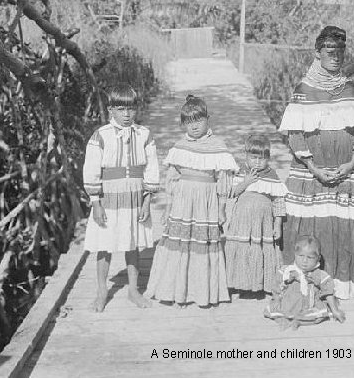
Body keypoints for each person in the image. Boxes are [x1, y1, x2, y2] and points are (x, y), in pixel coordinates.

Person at [279, 25, 354, 301]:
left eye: (340, 51)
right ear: (318, 53)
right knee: (312, 224)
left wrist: (351, 163)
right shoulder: (304, 90)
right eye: (329, 51)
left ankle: (343, 283)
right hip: (312, 174)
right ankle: (305, 281)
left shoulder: (350, 88)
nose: (336, 56)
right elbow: (295, 133)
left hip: (347, 173)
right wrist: (313, 167)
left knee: (345, 226)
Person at [144, 95, 238, 307]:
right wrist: (168, 207)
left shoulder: (218, 147)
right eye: (188, 122)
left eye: (198, 120)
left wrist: (222, 208)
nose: (194, 126)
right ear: (183, 124)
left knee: (201, 242)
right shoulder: (179, 147)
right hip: (183, 201)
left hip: (206, 202)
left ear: (208, 119)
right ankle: (177, 290)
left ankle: (202, 291)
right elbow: (172, 180)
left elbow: (223, 181)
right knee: (181, 242)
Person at [83, 84, 159, 312]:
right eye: (120, 109)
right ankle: (101, 291)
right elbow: (91, 170)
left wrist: (146, 200)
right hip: (108, 198)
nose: (126, 115)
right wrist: (96, 202)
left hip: (135, 197)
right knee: (104, 245)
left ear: (136, 109)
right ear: (110, 110)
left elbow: (151, 169)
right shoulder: (101, 136)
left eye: (131, 109)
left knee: (133, 243)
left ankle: (134, 290)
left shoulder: (144, 135)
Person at [224, 134, 288, 295]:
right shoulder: (241, 172)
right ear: (246, 156)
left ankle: (259, 283)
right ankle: (239, 282)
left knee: (260, 249)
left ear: (268, 158)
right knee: (243, 249)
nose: (257, 162)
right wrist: (246, 181)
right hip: (243, 221)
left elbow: (279, 201)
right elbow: (231, 193)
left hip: (263, 223)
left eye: (262, 158)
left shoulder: (272, 176)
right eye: (253, 158)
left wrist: (277, 224)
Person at [263, 235, 346, 329]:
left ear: (318, 258)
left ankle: (298, 322)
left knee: (319, 316)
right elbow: (277, 288)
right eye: (301, 256)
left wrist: (335, 310)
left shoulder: (318, 274)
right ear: (295, 254)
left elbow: (328, 292)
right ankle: (285, 319)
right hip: (288, 304)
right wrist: (277, 300)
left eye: (310, 258)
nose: (304, 261)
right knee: (277, 311)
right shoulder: (287, 271)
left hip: (308, 306)